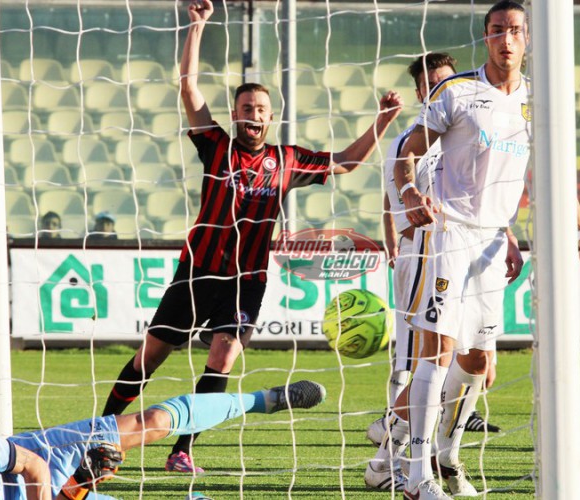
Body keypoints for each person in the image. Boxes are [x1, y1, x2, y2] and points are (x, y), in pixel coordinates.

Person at [101, 0, 402, 475]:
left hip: (246, 280)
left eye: (260, 109)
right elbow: (188, 87)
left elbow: (345, 162)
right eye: (245, 108)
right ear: (235, 114)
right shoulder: (215, 145)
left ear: (270, 115)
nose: (253, 115)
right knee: (151, 355)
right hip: (197, 271)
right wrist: (197, 26)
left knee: (222, 358)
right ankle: (100, 435)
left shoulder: (286, 160)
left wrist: (381, 123)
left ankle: (182, 449)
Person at [395, 2, 580, 499]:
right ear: (485, 37)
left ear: (529, 38)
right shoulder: (458, 91)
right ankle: (415, 474)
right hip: (447, 231)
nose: (505, 40)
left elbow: (553, 177)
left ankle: (445, 455)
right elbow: (410, 147)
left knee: (477, 360)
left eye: (514, 31)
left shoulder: (540, 100)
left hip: (492, 239)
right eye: (496, 31)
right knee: (437, 351)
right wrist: (407, 192)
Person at [0, 380, 326, 500]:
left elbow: (31, 465)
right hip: (51, 496)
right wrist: (78, 487)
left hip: (43, 456)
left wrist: (71, 479)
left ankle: (264, 400)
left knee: (151, 420)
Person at [366, 52, 459, 492]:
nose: (443, 87)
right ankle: (391, 451)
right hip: (420, 255)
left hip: (454, 255)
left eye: (449, 79)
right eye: (434, 83)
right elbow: (395, 199)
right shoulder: (410, 140)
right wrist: (394, 242)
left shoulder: (457, 133)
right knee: (413, 361)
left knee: (451, 360)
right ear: (422, 92)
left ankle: (393, 444)